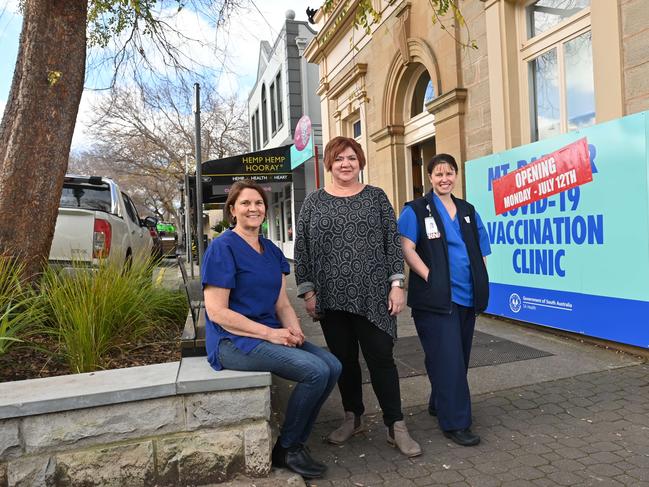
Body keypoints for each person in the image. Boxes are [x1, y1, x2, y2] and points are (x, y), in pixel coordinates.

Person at [202, 180, 342, 479]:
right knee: (314, 372)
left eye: (258, 203)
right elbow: (217, 312)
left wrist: (293, 330)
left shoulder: (271, 249)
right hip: (233, 341)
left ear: (265, 209)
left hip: (270, 331)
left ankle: (298, 441)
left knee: (332, 365)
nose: (253, 208)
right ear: (233, 210)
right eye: (245, 203)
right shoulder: (222, 248)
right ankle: (287, 448)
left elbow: (282, 304)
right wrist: (271, 334)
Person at [295, 136, 422, 458]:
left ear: (360, 161)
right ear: (329, 164)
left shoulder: (376, 198)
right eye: (339, 159)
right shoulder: (313, 202)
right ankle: (353, 417)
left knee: (381, 358)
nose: (346, 164)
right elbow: (302, 249)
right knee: (345, 362)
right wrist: (308, 291)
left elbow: (392, 243)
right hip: (331, 297)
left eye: (351, 157)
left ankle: (396, 425)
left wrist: (397, 285)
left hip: (373, 296)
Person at [398, 153, 491, 447]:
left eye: (449, 173)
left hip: (466, 296)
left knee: (458, 357)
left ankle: (440, 401)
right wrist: (430, 277)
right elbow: (407, 248)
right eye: (438, 174)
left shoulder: (467, 210)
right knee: (448, 358)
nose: (444, 179)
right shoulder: (416, 210)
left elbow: (481, 250)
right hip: (435, 299)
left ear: (455, 175)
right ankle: (456, 423)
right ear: (429, 177)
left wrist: (480, 281)